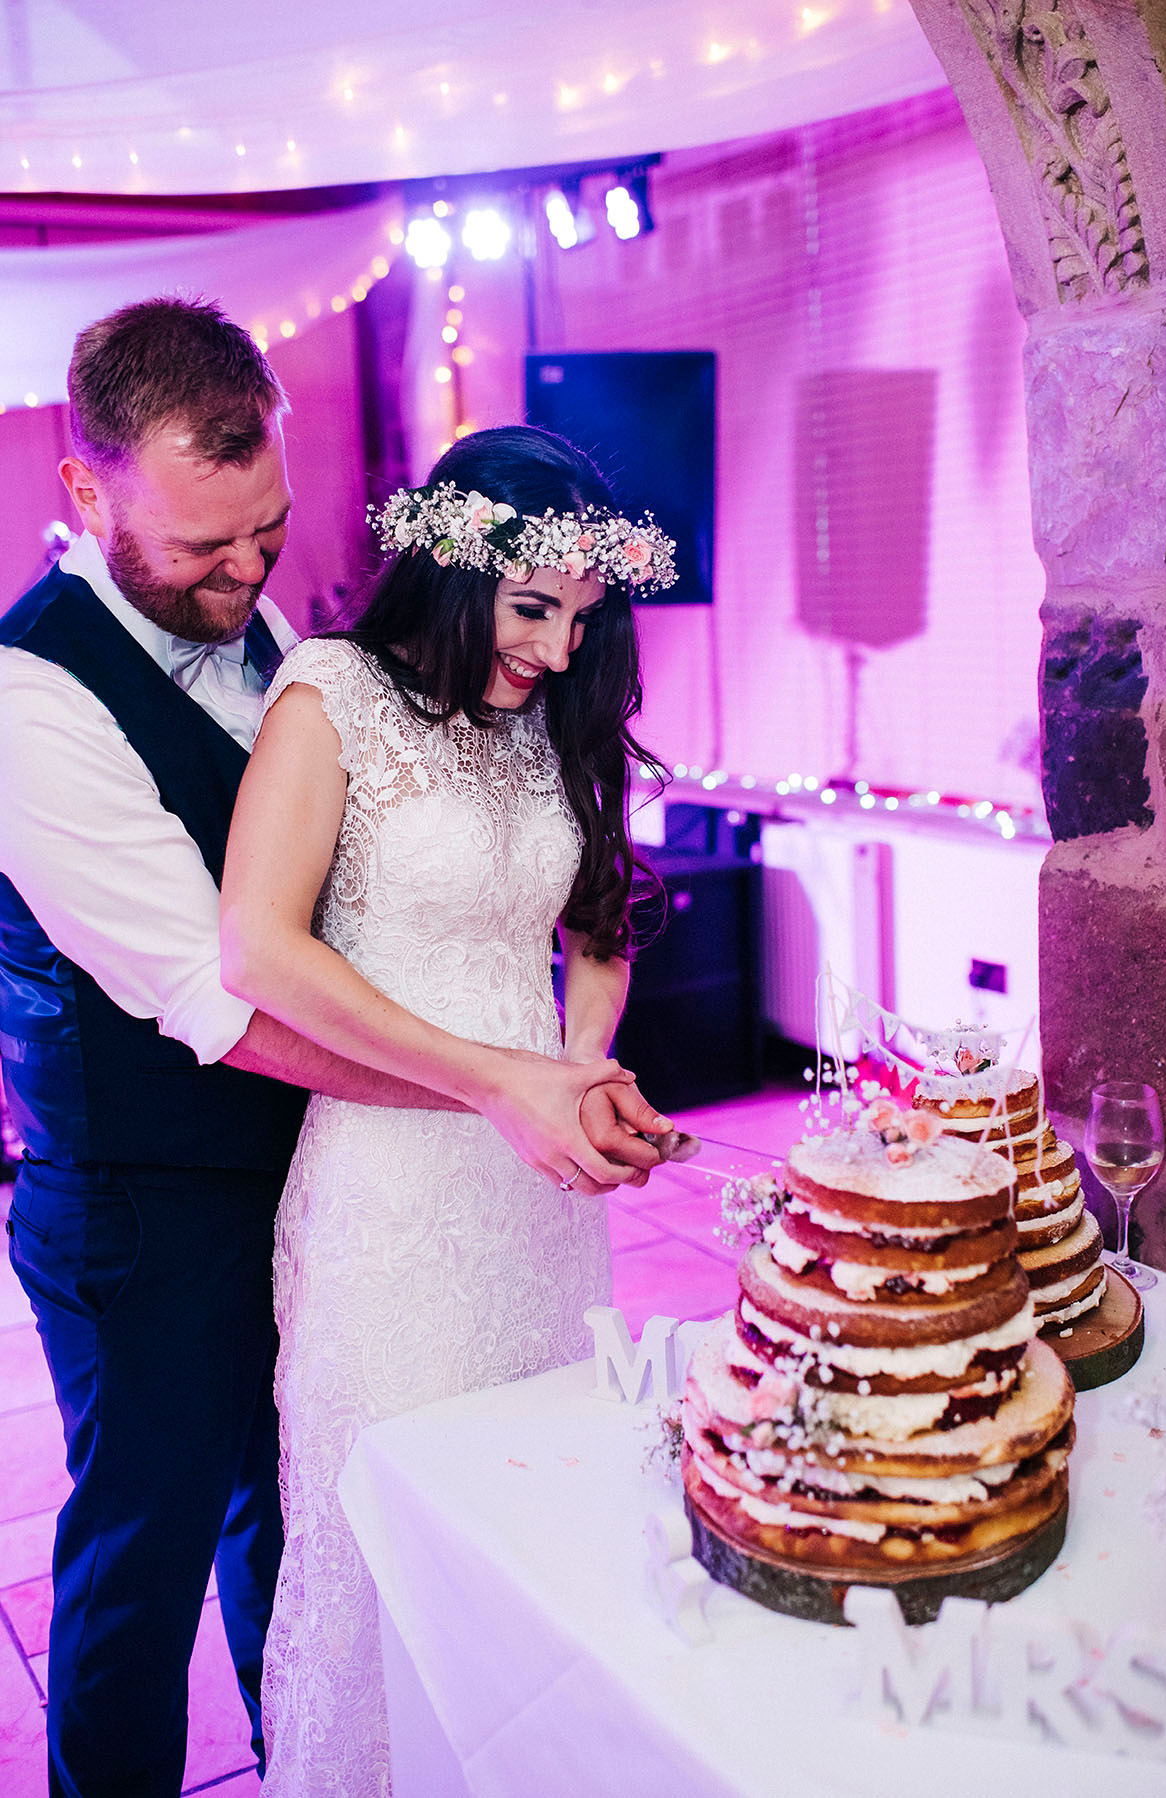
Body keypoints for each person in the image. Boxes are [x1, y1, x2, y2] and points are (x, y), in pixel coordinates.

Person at [0, 304, 666, 1798]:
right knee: (139, 1558)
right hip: (141, 1200)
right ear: (86, 493)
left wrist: (545, 1060)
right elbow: (225, 994)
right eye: (200, 549)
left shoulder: (289, 645)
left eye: (268, 531)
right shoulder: (26, 699)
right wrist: (499, 1083)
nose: (246, 573)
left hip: (317, 1171)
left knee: (296, 1525)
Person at [219, 425, 677, 1793]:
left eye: (581, 620)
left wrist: (583, 1069)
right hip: (395, 1194)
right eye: (532, 607)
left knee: (538, 1537)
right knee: (394, 1557)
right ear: (450, 564)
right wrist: (499, 1082)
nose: (551, 647)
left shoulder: (549, 714)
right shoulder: (332, 695)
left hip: (534, 1193)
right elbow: (258, 948)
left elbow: (602, 919)